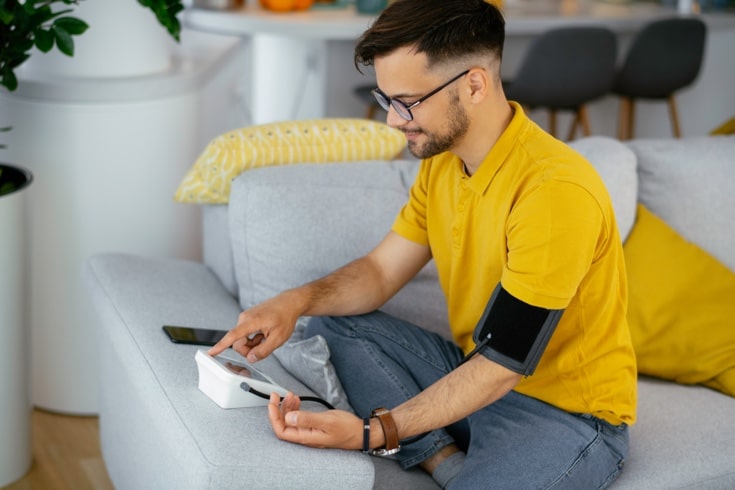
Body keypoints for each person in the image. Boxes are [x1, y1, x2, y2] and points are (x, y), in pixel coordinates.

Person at [209, 0, 637, 487]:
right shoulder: (443, 162)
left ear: (474, 85)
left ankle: (447, 461)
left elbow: (502, 366)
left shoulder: (554, 192)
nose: (392, 121)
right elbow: (380, 272)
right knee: (332, 321)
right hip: (474, 371)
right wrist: (293, 301)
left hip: (564, 416)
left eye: (407, 102)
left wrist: (371, 433)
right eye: (386, 99)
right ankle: (444, 457)